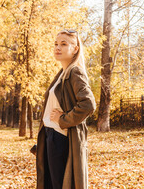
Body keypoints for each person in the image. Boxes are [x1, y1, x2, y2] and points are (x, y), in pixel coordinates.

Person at [36, 29, 96, 189]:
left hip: (61, 138)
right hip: (51, 135)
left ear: (75, 49)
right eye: (56, 44)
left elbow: (88, 103)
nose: (58, 47)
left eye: (64, 44)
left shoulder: (75, 72)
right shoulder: (62, 74)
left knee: (60, 185)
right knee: (50, 184)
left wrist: (63, 119)